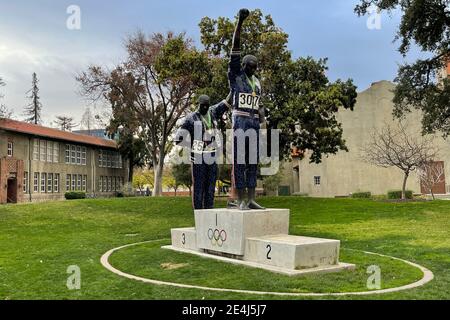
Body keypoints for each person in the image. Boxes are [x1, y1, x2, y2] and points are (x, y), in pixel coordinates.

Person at [228, 8, 266, 210]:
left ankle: (251, 198)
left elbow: (260, 104)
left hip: (253, 123)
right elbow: (235, 47)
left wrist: (263, 122)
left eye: (255, 66)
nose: (253, 69)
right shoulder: (236, 76)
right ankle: (240, 199)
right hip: (240, 121)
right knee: (240, 161)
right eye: (250, 66)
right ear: (243, 65)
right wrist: (240, 22)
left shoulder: (257, 82)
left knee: (253, 162)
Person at [176, 94, 231, 209]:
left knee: (211, 186)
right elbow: (178, 139)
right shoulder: (191, 118)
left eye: (207, 106)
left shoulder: (213, 112)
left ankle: (209, 211)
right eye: (202, 106)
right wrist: (193, 144)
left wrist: (234, 88)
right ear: (198, 104)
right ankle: (198, 213)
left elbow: (225, 103)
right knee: (199, 186)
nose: (205, 108)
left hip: (212, 155)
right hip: (198, 157)